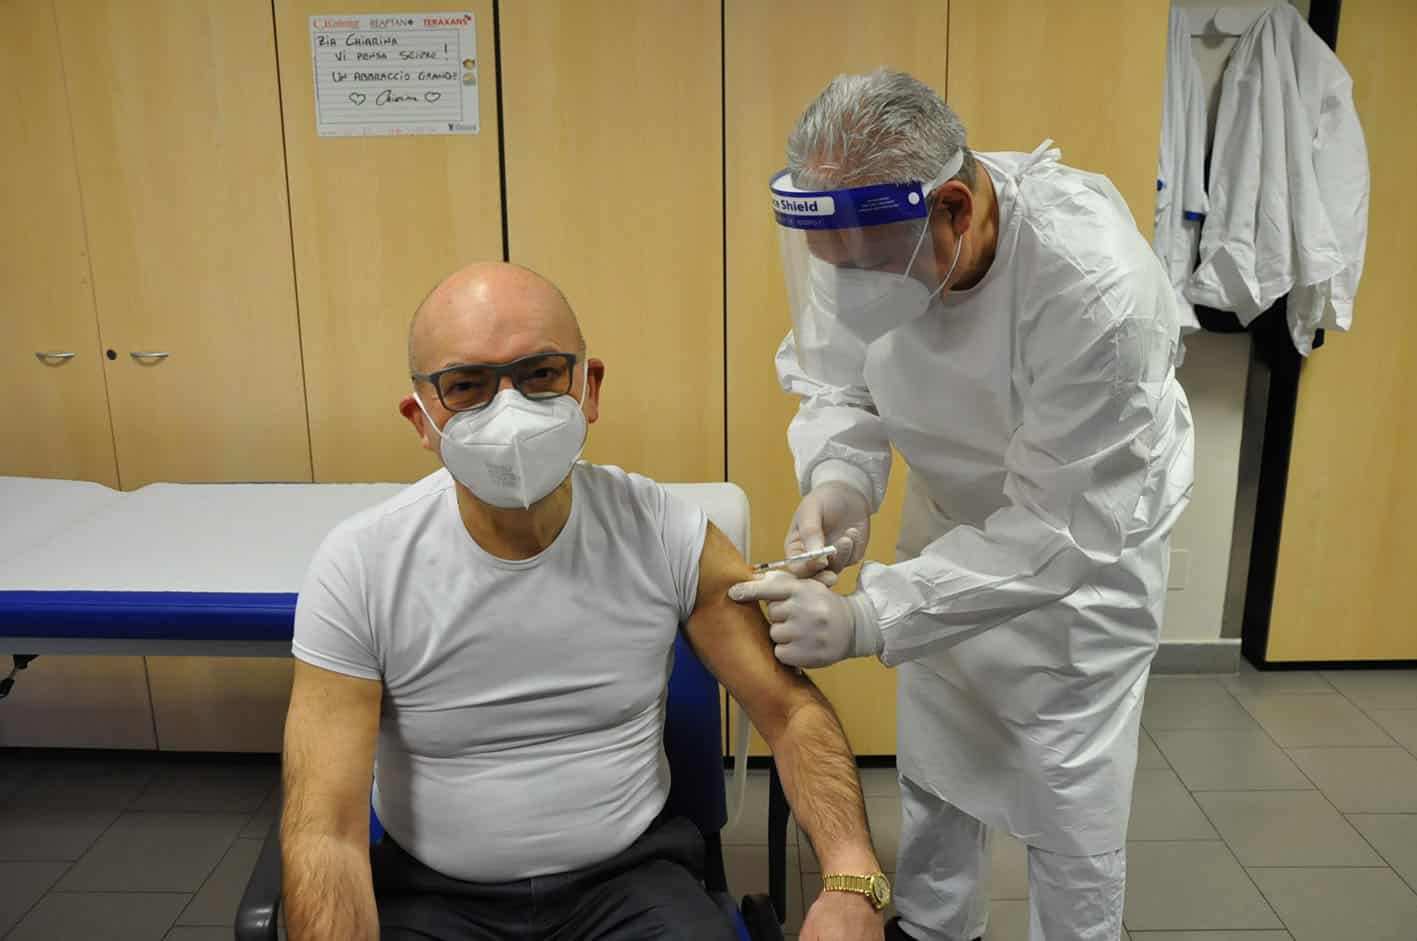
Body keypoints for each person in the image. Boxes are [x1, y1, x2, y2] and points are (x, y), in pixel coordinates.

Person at [280, 262, 888, 941]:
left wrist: (852, 880)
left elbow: (790, 710)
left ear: (588, 387)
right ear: (421, 419)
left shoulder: (663, 533)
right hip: (433, 894)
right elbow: (325, 831)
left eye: (539, 374)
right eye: (467, 386)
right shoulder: (361, 566)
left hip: (628, 881)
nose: (508, 412)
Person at [730, 70, 1195, 941]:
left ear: (953, 208)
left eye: (867, 267)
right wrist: (839, 480)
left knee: (1069, 795)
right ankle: (936, 926)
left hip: (1081, 555)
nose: (850, 287)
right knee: (936, 753)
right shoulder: (870, 233)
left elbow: (1059, 525)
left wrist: (868, 618)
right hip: (951, 519)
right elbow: (838, 377)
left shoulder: (1095, 291)